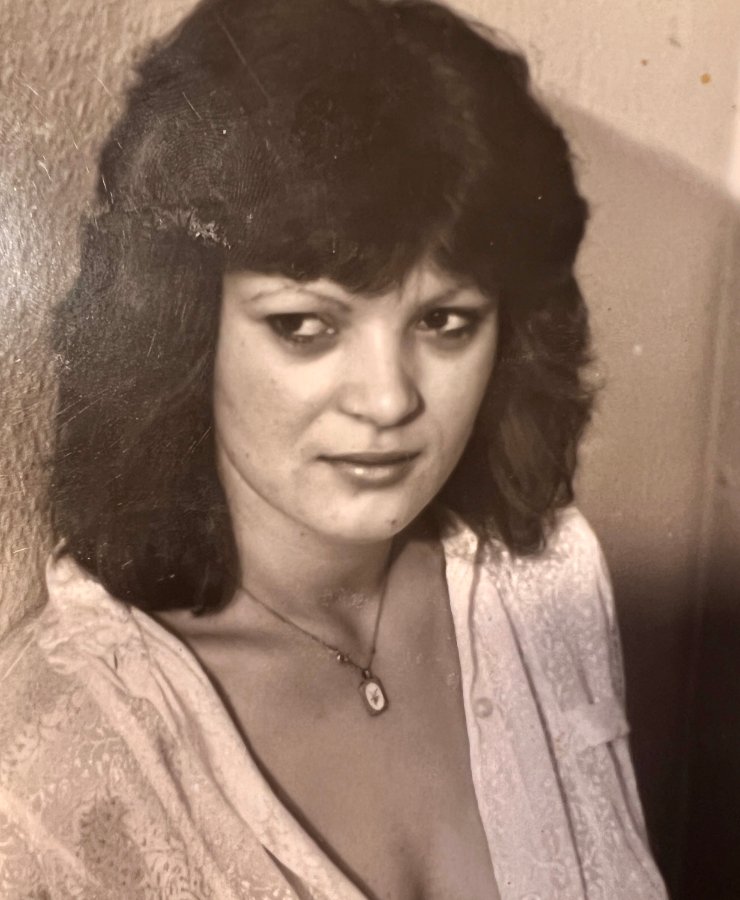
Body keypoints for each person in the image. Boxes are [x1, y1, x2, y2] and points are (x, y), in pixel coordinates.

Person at [0, 0, 667, 897]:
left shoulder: (546, 581)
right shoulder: (57, 757)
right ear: (183, 329)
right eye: (306, 326)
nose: (389, 400)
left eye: (444, 321)